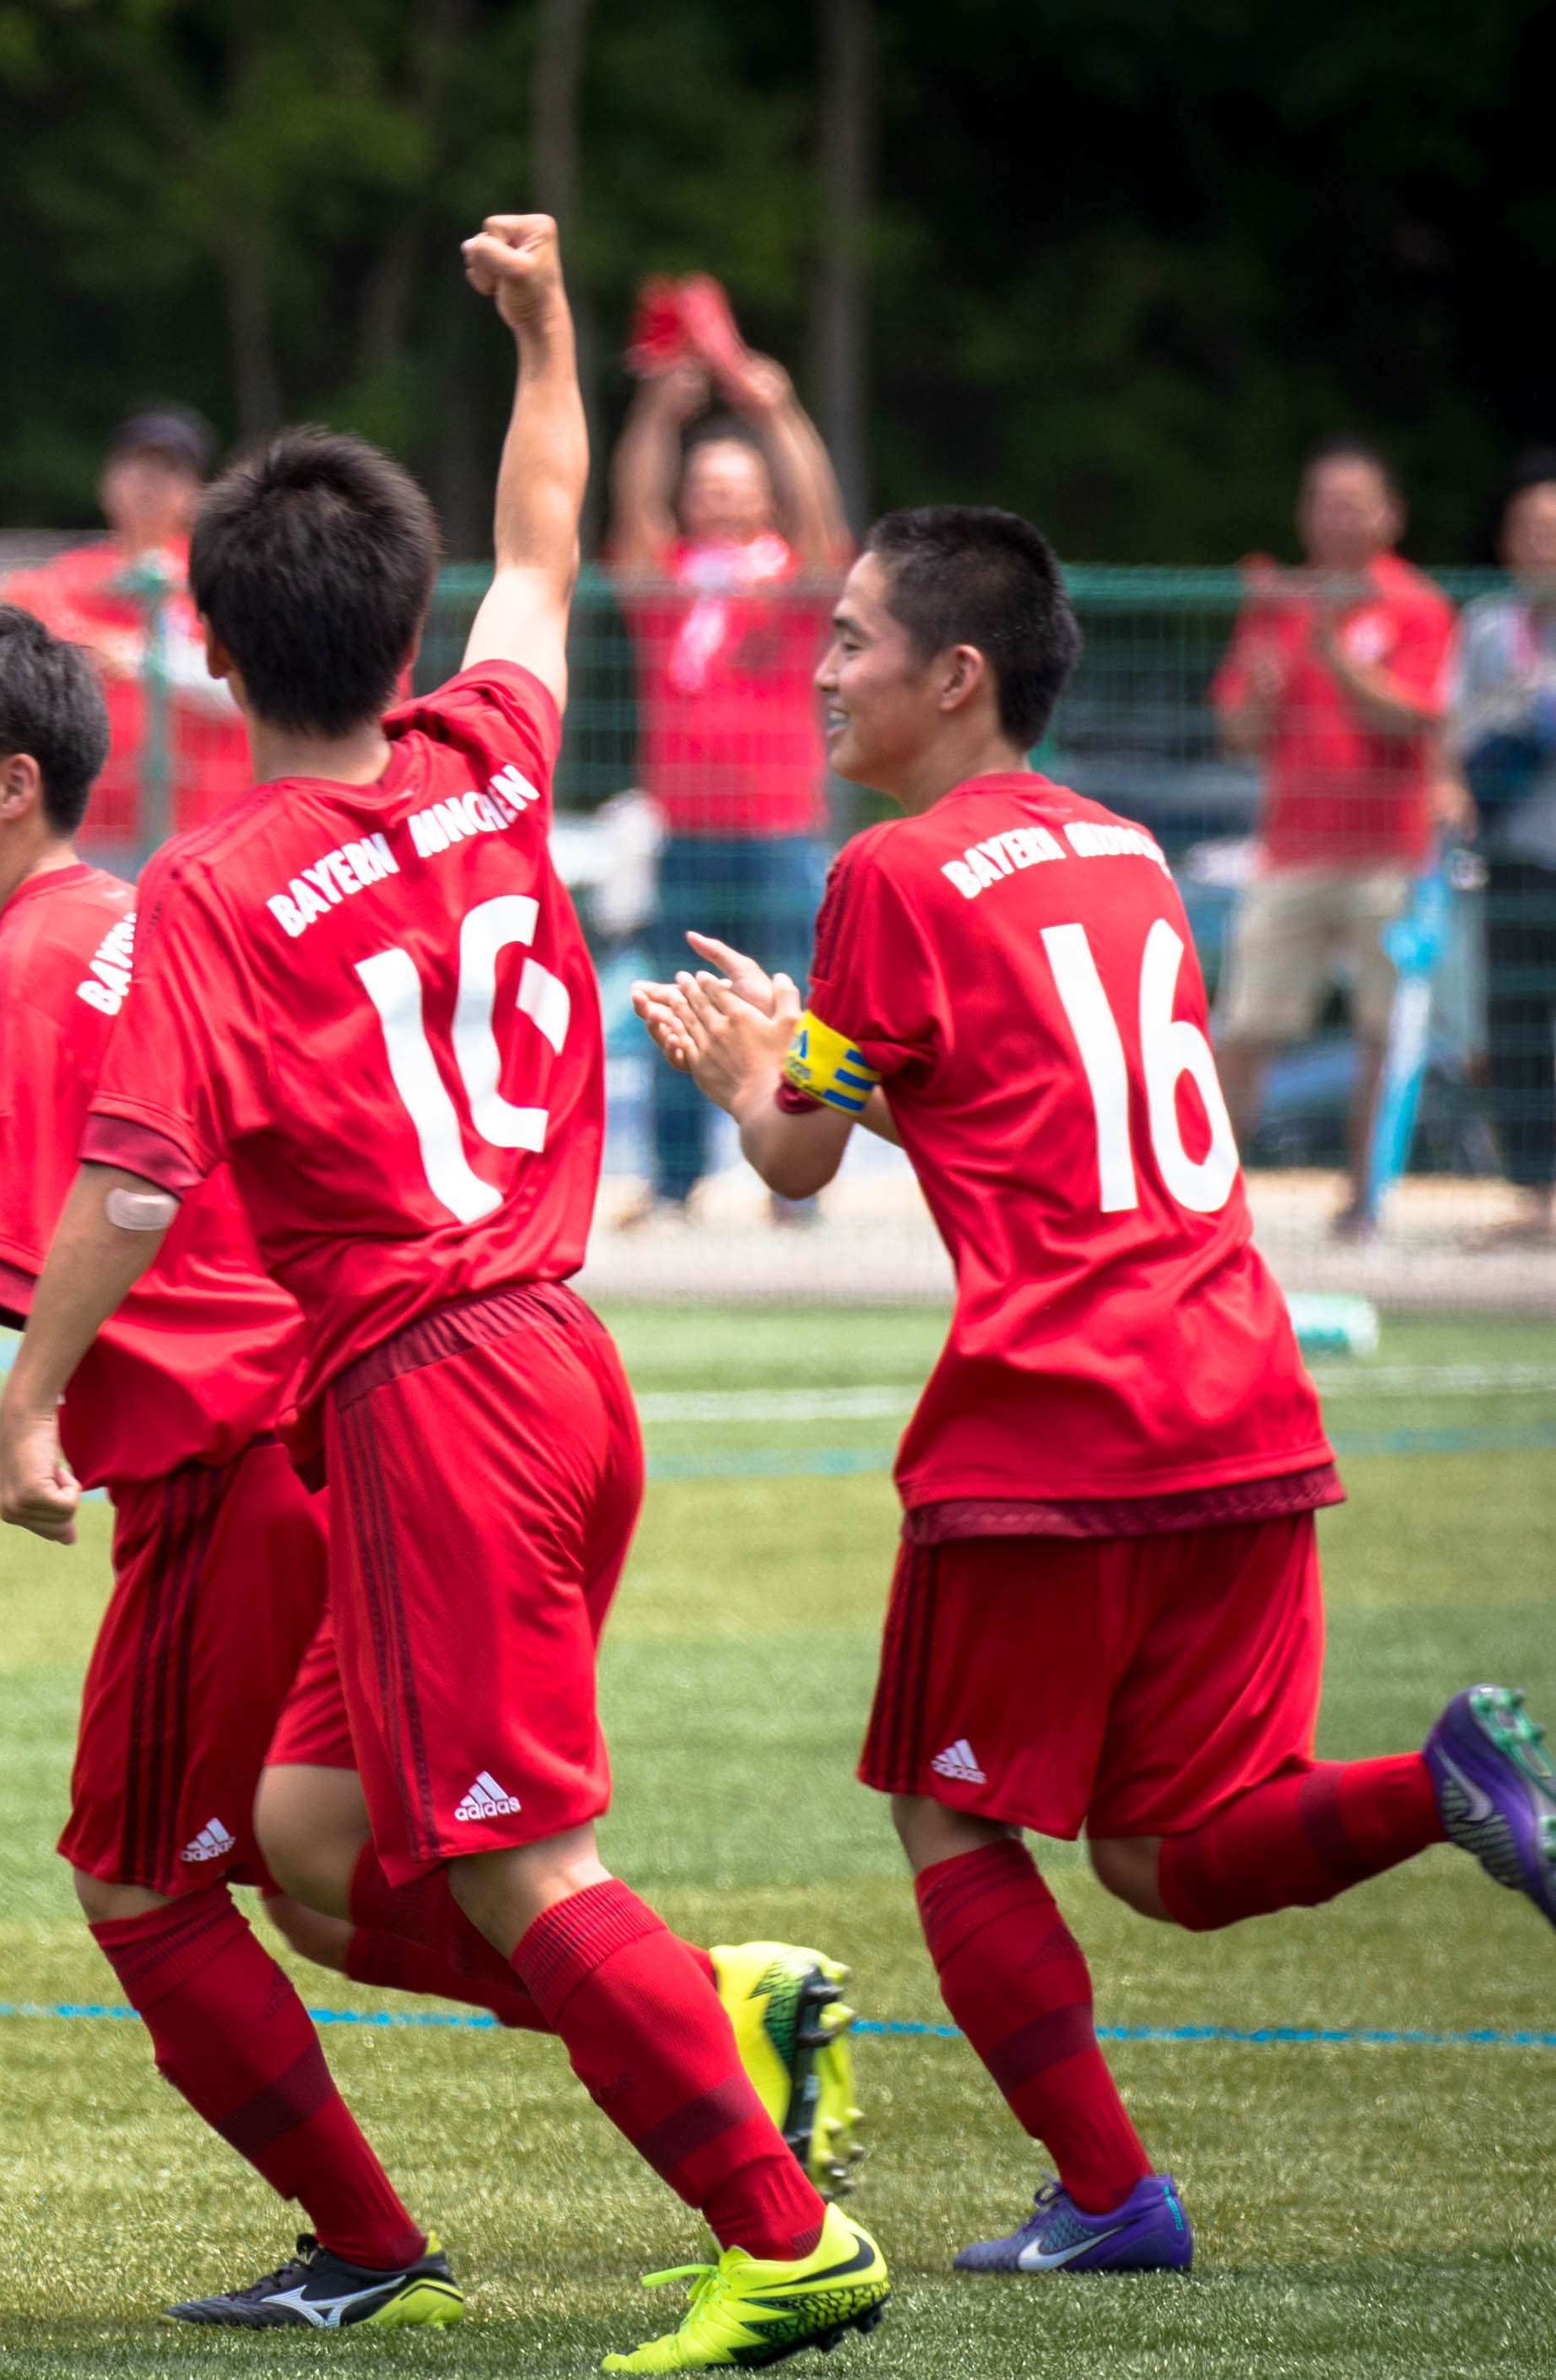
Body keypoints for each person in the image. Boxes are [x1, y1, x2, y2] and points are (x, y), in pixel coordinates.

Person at [0, 215, 894, 2372]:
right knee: (315, 1839)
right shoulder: (487, 753)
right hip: (564, 1363)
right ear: (397, 627)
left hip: (428, 1386)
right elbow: (549, 522)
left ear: (204, 650)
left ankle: (778, 2231)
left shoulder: (210, 889)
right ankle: (719, 2011)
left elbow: (126, 1187)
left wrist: (28, 1397)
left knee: (509, 1859)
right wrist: (552, 332)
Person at [632, 502, 1556, 2278]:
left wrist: (760, 1071)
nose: (820, 670)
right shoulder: (1122, 850)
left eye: (849, 639)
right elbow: (1001, 1106)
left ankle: (1112, 2199)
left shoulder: (886, 872)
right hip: (1244, 1395)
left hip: (1060, 1412)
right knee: (1168, 1849)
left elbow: (796, 1161)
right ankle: (1443, 1776)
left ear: (953, 674)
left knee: (950, 1810)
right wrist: (810, 1057)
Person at [0, 601, 459, 2325]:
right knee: (311, 1881)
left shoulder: (25, 964)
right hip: (332, 1432)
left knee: (138, 1880)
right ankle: (705, 2010)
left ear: (11, 788)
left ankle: (374, 2246)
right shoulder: (153, 925)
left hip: (225, 1465)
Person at [607, 312, 853, 1224]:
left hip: (781, 823)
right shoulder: (672, 581)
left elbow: (826, 526)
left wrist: (779, 415)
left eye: (734, 485)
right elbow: (630, 516)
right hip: (689, 828)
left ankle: (802, 1186)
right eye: (705, 484)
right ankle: (676, 1182)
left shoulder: (790, 579)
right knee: (683, 1007)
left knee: (799, 1005)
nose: (718, 497)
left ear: (762, 499)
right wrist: (656, 418)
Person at [1208, 438, 1460, 1229]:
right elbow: (1236, 734)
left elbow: (1418, 714)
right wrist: (1261, 694)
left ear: (1389, 514)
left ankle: (1365, 1202)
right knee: (1245, 1028)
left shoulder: (1416, 605)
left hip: (1391, 852)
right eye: (1324, 502)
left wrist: (1333, 661)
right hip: (1290, 850)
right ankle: (1207, 1195)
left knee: (1383, 1036)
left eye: (1355, 503)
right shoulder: (1275, 599)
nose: (1337, 519)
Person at [0, 406, 250, 853]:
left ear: (195, 493)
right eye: (134, 465)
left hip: (201, 827)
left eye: (169, 470)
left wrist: (126, 651)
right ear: (107, 482)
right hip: (90, 825)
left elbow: (238, 687)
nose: (148, 481)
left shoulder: (218, 574)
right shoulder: (71, 574)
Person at [1452, 453, 1556, 1246]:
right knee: (1515, 1019)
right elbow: (1453, 734)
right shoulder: (1487, 629)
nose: (1541, 544)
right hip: (1516, 850)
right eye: (1529, 529)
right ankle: (1536, 1191)